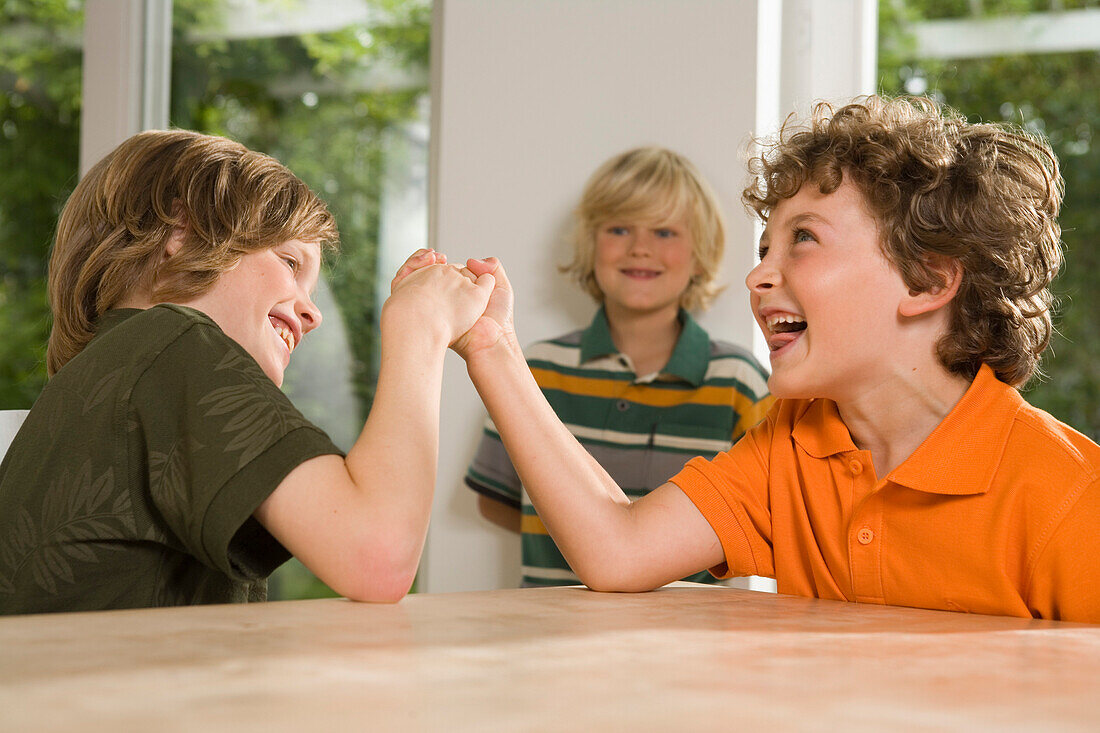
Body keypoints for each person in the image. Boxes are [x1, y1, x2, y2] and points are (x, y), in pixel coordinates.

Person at [450, 95, 1100, 622]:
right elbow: (618, 551)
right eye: (766, 244)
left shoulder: (1072, 499)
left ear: (927, 281)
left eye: (804, 239)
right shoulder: (787, 446)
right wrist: (493, 346)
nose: (758, 274)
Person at [0, 130, 494, 614]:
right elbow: (378, 555)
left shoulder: (104, 378)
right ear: (181, 230)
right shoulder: (170, 344)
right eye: (288, 262)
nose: (312, 313)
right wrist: (420, 326)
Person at [464, 147, 772, 587]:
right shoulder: (536, 370)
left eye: (665, 232)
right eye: (620, 228)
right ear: (591, 245)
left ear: (700, 253)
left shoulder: (738, 381)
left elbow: (766, 519)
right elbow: (495, 501)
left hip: (690, 647)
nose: (640, 248)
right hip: (547, 642)